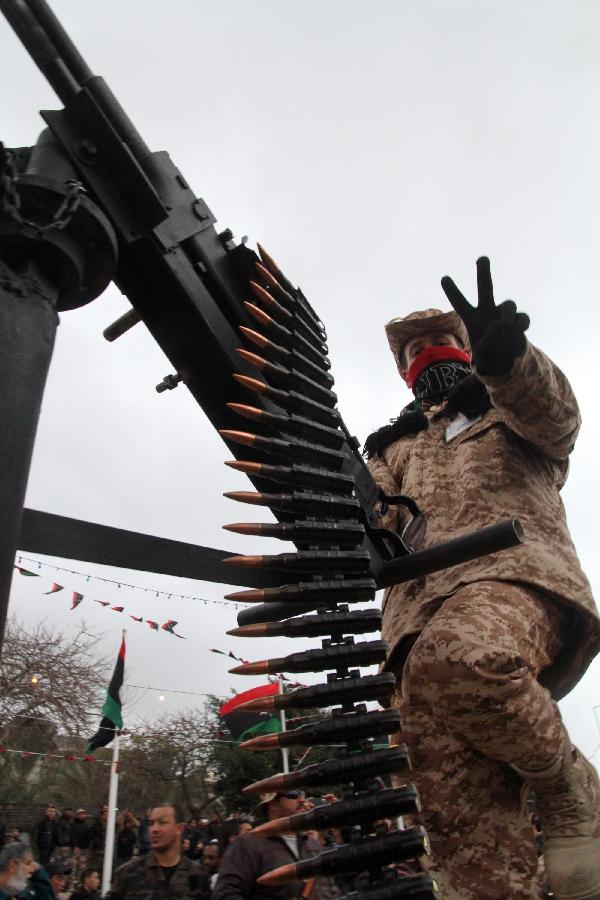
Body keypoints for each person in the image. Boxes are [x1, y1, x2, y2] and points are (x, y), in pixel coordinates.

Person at [364, 256, 600, 899]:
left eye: (441, 340)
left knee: (464, 654)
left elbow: (557, 419)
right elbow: (370, 524)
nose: (426, 353)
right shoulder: (395, 447)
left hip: (515, 577)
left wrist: (509, 361)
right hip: (416, 622)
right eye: (412, 349)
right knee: (465, 841)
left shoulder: (504, 407)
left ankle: (567, 784)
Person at [211, 791, 331, 900]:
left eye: (302, 795)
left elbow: (330, 889)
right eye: (293, 795)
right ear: (273, 804)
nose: (301, 800)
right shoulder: (248, 845)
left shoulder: (312, 844)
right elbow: (226, 894)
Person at [107, 803, 209, 900]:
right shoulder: (128, 873)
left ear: (179, 828)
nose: (154, 829)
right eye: (151, 823)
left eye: (162, 822)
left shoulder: (198, 875)